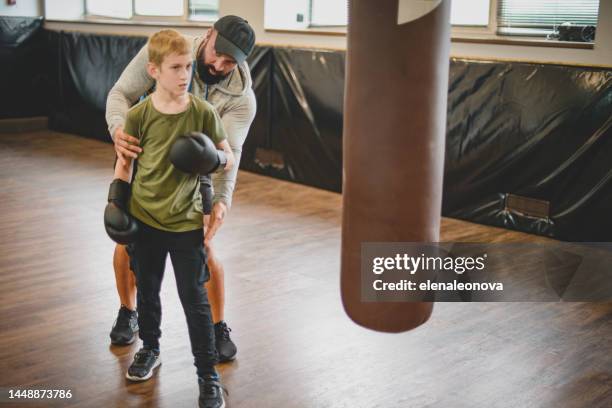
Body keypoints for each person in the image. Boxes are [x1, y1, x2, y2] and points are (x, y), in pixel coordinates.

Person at [105, 15, 256, 363]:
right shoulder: (168, 52)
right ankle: (129, 311)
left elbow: (230, 153)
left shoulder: (241, 100)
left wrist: (221, 202)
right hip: (145, 157)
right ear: (208, 35)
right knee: (127, 240)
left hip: (196, 171)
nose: (218, 65)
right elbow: (119, 94)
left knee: (204, 249)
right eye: (217, 53)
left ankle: (217, 327)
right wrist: (119, 132)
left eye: (230, 62)